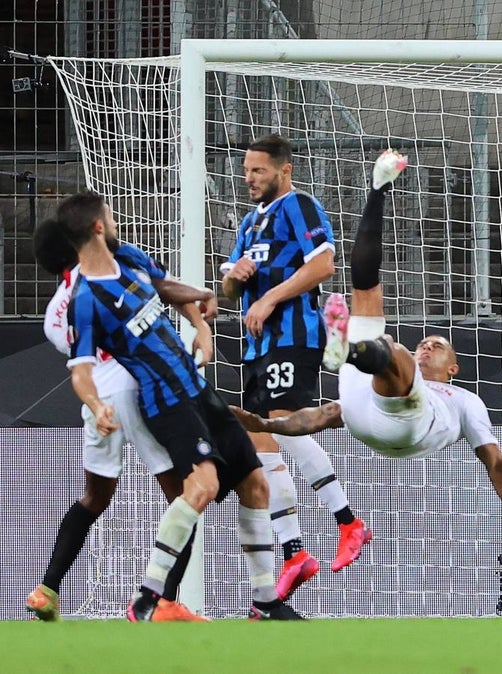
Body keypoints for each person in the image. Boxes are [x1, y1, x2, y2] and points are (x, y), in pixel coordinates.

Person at [228, 151, 502, 558]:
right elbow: (320, 418)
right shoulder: (411, 371)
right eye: (426, 343)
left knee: (392, 351)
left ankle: (349, 346)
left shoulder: (464, 400)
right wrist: (265, 424)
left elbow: (496, 462)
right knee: (365, 288)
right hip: (367, 411)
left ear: (453, 369)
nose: (428, 346)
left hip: (412, 423)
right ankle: (378, 189)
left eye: (437, 346)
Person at [58, 191, 302, 621]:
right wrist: (96, 405)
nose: (114, 223)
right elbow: (80, 371)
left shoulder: (127, 256)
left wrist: (202, 299)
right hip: (166, 403)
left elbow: (165, 287)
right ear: (97, 227)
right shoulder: (84, 300)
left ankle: (265, 602)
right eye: (109, 218)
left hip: (197, 389)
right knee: (202, 487)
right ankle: (148, 598)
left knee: (256, 484)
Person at [25, 217, 212, 623]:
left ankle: (46, 590)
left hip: (99, 400)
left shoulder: (55, 312)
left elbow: (83, 359)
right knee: (187, 495)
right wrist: (198, 318)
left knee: (94, 498)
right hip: (140, 388)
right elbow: (157, 297)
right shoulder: (115, 267)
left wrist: (96, 405)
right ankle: (164, 601)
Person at [220, 134, 370, 600]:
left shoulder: (299, 206)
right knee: (260, 441)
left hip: (294, 337)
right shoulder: (249, 223)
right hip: (255, 348)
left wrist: (268, 297)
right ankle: (294, 551)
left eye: (258, 171)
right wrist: (234, 279)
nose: (249, 179)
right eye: (246, 171)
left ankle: (348, 522)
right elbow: (228, 289)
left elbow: (323, 265)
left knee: (283, 426)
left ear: (284, 170)